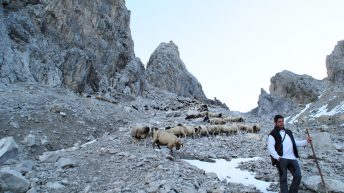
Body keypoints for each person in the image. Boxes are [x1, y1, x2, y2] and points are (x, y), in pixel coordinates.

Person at [268, 114, 312, 193]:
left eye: (282, 121)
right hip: (281, 159)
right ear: (275, 123)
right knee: (283, 179)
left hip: (292, 158)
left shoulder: (288, 132)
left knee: (298, 176)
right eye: (279, 122)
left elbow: (294, 143)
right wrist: (277, 157)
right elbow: (270, 147)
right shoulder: (272, 134)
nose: (281, 123)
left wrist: (306, 141)